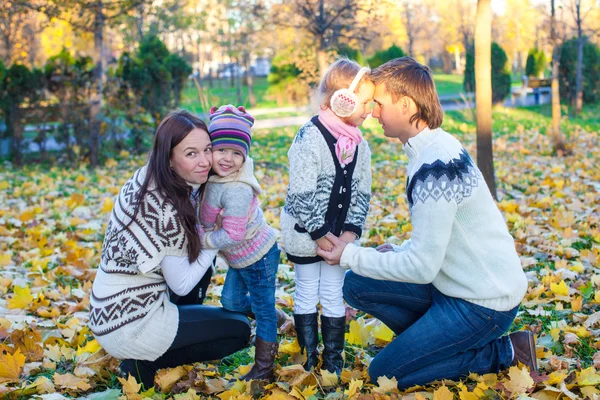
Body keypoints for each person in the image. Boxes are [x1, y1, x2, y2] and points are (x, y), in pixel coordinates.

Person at [316, 57, 535, 389]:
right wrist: (390, 252)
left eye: (379, 104)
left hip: (484, 304)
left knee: (383, 374)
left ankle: (504, 351)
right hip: (454, 285)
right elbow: (441, 237)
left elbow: (422, 268)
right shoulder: (430, 148)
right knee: (357, 284)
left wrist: (348, 254)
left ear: (405, 105)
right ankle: (434, 344)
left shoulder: (435, 165)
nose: (373, 113)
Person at [89, 110, 251, 389]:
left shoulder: (146, 177)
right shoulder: (167, 212)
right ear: (170, 159)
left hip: (106, 310)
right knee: (238, 330)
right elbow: (184, 284)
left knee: (197, 259)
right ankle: (142, 361)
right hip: (132, 325)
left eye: (208, 149)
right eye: (191, 154)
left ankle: (150, 347)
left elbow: (237, 158)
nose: (205, 161)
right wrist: (214, 239)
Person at [280, 58, 373, 374]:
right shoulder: (310, 137)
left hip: (338, 241)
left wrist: (348, 236)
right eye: (365, 102)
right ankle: (308, 358)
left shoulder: (360, 145)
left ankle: (332, 360)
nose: (370, 110)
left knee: (334, 294)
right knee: (306, 291)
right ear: (342, 100)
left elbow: (362, 194)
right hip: (307, 236)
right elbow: (302, 194)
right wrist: (321, 235)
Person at [198, 104, 284, 381]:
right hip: (240, 257)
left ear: (244, 157)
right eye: (221, 150)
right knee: (232, 302)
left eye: (237, 153)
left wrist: (204, 240)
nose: (227, 158)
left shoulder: (236, 189)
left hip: (258, 256)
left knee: (261, 311)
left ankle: (263, 370)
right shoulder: (214, 178)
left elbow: (233, 234)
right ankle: (276, 315)